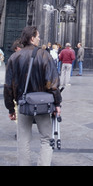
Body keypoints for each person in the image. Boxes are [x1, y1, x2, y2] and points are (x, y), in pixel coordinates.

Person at [4, 26, 61, 166]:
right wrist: (57, 103)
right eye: (38, 36)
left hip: (23, 104)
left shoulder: (14, 57)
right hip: (43, 103)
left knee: (23, 140)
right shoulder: (44, 55)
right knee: (47, 139)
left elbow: (8, 86)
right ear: (32, 38)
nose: (39, 38)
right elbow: (52, 83)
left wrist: (11, 109)